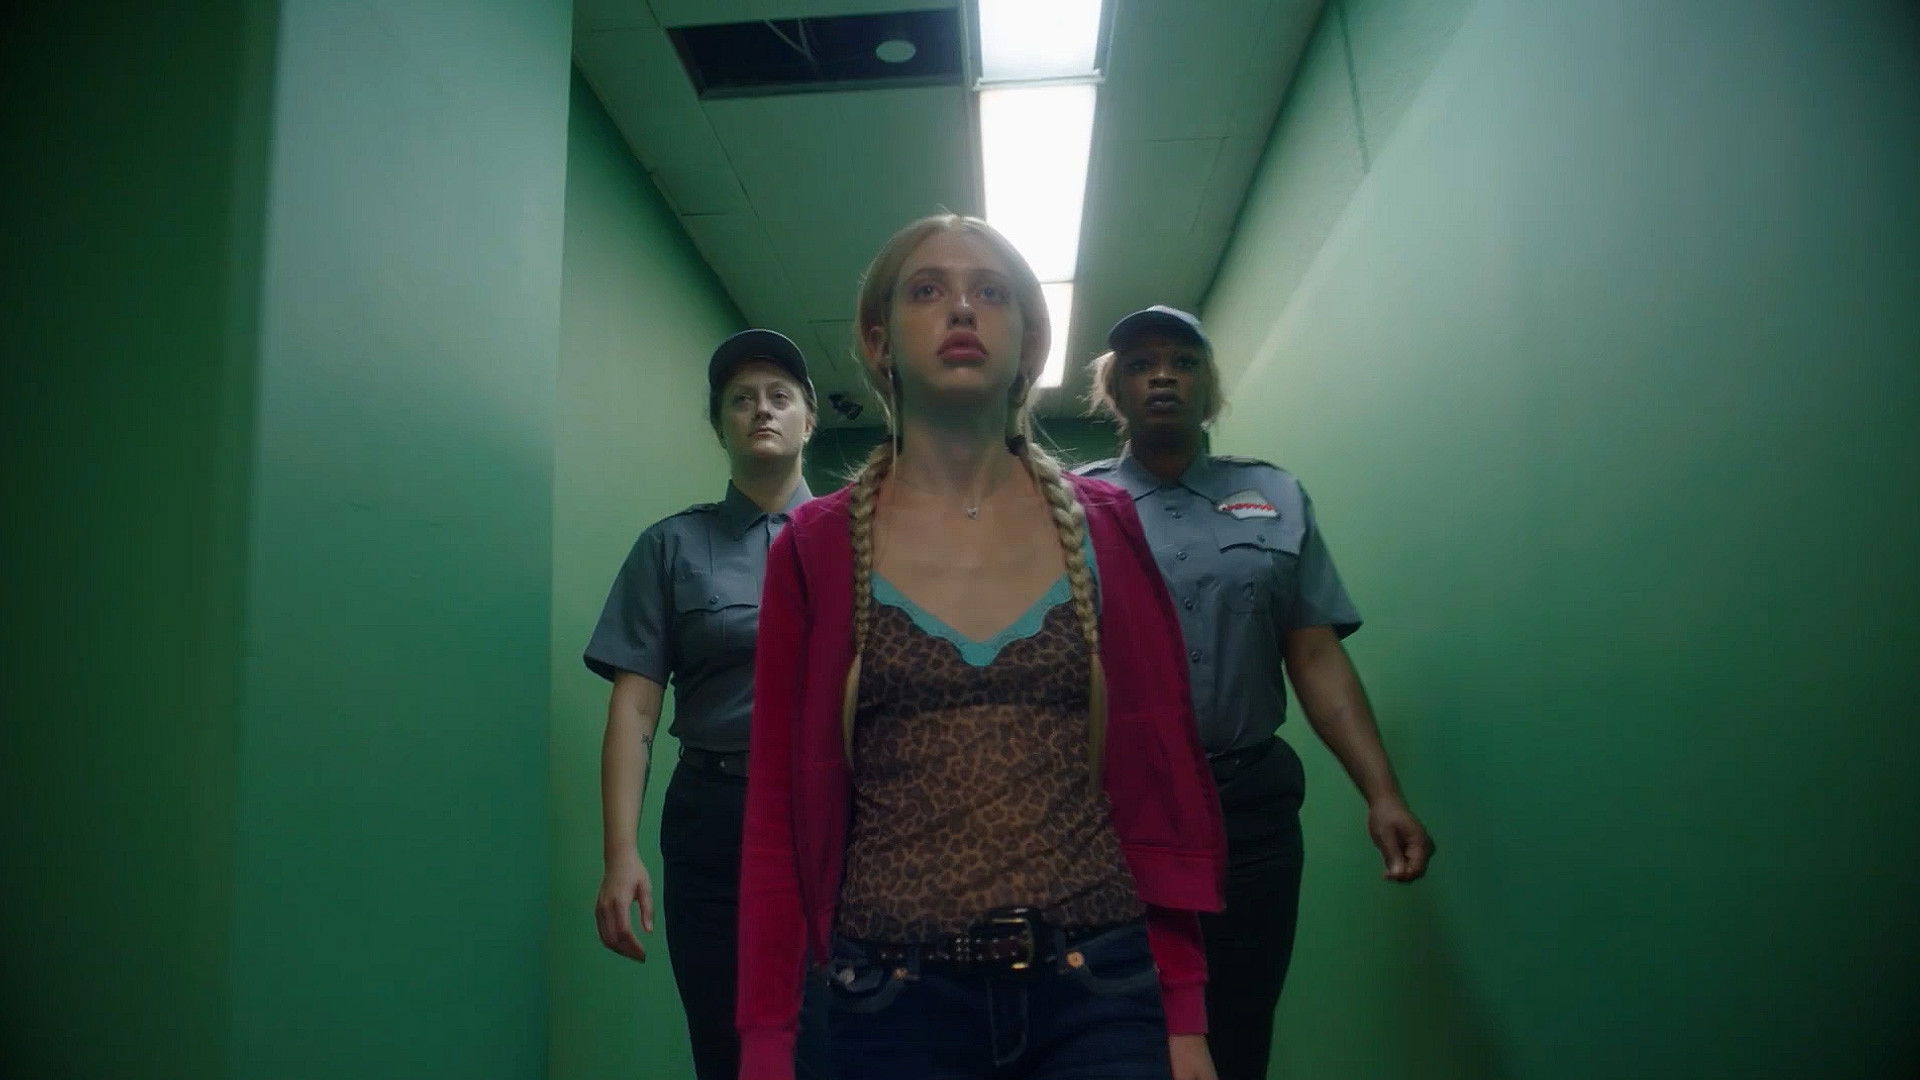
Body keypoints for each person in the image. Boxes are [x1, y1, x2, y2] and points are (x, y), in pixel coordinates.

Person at [735, 216, 1228, 1080]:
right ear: (879, 341)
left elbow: (1161, 771)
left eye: (990, 292)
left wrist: (1183, 1012)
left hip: (1099, 990)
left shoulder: (1106, 525)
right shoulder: (813, 547)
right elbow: (778, 807)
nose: (962, 307)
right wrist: (767, 1043)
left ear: (1029, 343)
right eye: (928, 289)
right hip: (891, 1002)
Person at [1078, 306, 1436, 1080]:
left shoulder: (1275, 494)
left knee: (1238, 1027)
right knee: (1125, 1029)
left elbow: (1314, 652)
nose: (1163, 376)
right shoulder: (1071, 509)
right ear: (1115, 393)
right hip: (1118, 813)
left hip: (1251, 811)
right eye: (1139, 365)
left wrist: (1382, 793)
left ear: (1209, 387)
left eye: (1183, 361)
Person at [585, 329, 825, 1080]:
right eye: (742, 399)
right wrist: (620, 853)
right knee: (730, 1047)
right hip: (715, 819)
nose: (762, 410)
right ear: (720, 424)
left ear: (809, 420)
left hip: (833, 814)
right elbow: (634, 713)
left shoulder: (860, 538)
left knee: (840, 1040)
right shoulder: (671, 547)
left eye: (780, 397)